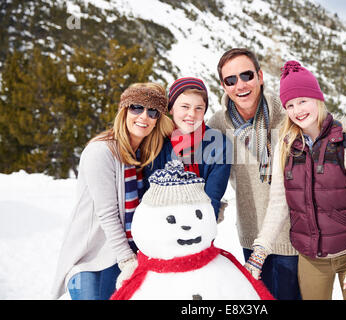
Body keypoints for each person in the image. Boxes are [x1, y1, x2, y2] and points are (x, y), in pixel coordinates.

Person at [207, 48, 346, 300]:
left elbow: (322, 122)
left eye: (246, 75)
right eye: (230, 80)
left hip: (299, 241)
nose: (240, 85)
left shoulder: (286, 115)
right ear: (223, 85)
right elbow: (199, 163)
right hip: (254, 239)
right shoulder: (218, 126)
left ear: (260, 76)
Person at [51, 83, 174, 299]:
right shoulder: (101, 151)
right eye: (136, 108)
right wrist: (127, 259)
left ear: (157, 120)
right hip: (92, 257)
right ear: (124, 111)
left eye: (152, 111)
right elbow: (107, 213)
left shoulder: (145, 156)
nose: (143, 117)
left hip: (127, 254)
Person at [150, 77, 231, 221]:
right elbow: (148, 191)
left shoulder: (219, 145)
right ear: (171, 108)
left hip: (199, 227)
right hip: (159, 224)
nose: (192, 114)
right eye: (185, 107)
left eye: (199, 108)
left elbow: (212, 198)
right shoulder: (156, 141)